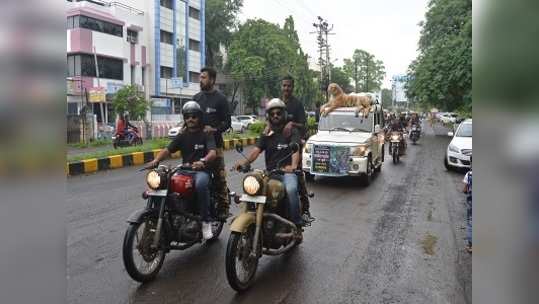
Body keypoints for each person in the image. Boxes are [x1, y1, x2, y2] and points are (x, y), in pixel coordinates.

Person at [145, 102, 217, 240]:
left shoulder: (206, 133)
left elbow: (213, 152)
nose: (191, 119)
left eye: (194, 116)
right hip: (184, 171)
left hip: (201, 172)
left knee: (201, 185)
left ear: (199, 117)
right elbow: (168, 150)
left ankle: (206, 221)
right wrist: (156, 160)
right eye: (188, 116)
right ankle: (164, 216)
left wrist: (203, 161)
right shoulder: (182, 135)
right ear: (184, 118)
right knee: (162, 183)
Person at [233, 98, 304, 232]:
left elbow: (296, 149)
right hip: (270, 173)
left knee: (291, 190)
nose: (275, 116)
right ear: (268, 116)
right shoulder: (266, 133)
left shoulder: (290, 131)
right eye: (272, 114)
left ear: (284, 114)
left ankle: (297, 224)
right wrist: (245, 163)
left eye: (278, 113)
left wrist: (293, 166)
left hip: (287, 173)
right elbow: (256, 150)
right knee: (254, 188)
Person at [192, 67, 231, 220]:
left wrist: (214, 129)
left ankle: (224, 207)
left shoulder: (220, 99)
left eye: (204, 77)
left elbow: (227, 123)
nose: (200, 80)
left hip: (215, 145)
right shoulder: (196, 98)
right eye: (200, 77)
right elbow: (189, 120)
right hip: (197, 146)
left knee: (220, 177)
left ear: (212, 80)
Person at [279, 75, 314, 223]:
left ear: (292, 87)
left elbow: (304, 125)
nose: (286, 88)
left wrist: (292, 124)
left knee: (297, 175)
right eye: (284, 86)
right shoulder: (278, 103)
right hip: (278, 146)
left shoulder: (297, 104)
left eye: (289, 86)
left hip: (294, 144)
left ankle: (305, 209)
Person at [462, 156, 472, 253]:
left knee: (470, 222)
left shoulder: (468, 174)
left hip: (471, 203)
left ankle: (471, 246)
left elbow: (464, 190)